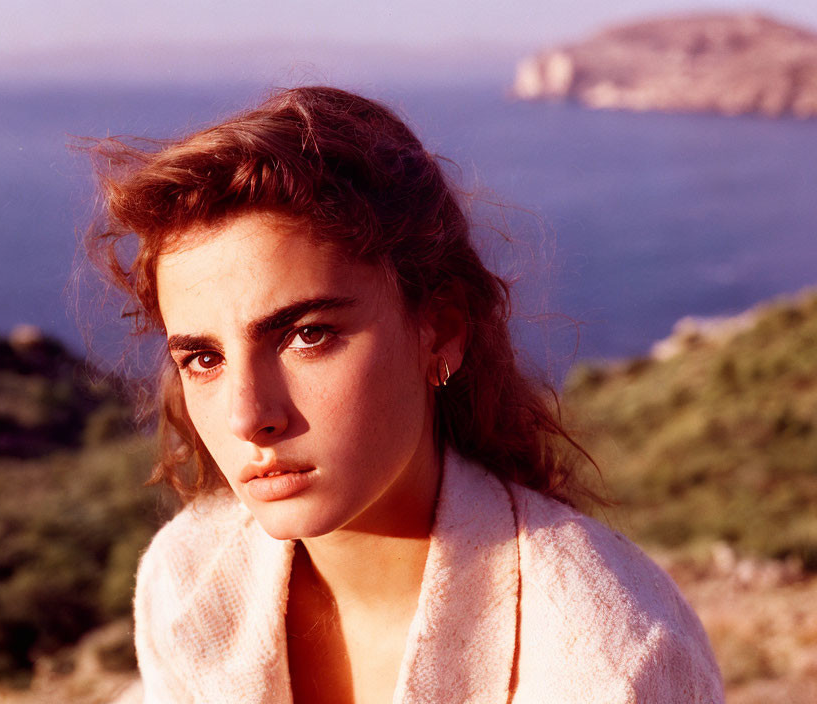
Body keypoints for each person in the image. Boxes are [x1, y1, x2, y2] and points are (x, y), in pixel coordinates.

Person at [87, 86, 724, 703]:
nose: (248, 417)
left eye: (308, 335)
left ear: (440, 329)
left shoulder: (606, 661)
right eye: (203, 358)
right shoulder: (188, 580)